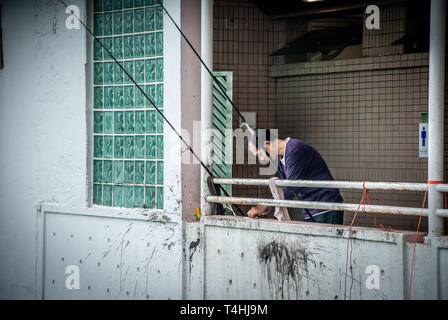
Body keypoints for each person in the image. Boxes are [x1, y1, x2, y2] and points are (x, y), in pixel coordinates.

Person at [245, 129, 344, 224]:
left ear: (267, 144)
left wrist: (266, 205)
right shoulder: (281, 157)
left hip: (325, 206)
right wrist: (270, 206)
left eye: (260, 154)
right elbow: (288, 187)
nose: (261, 158)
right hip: (310, 208)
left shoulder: (294, 150)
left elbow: (291, 187)